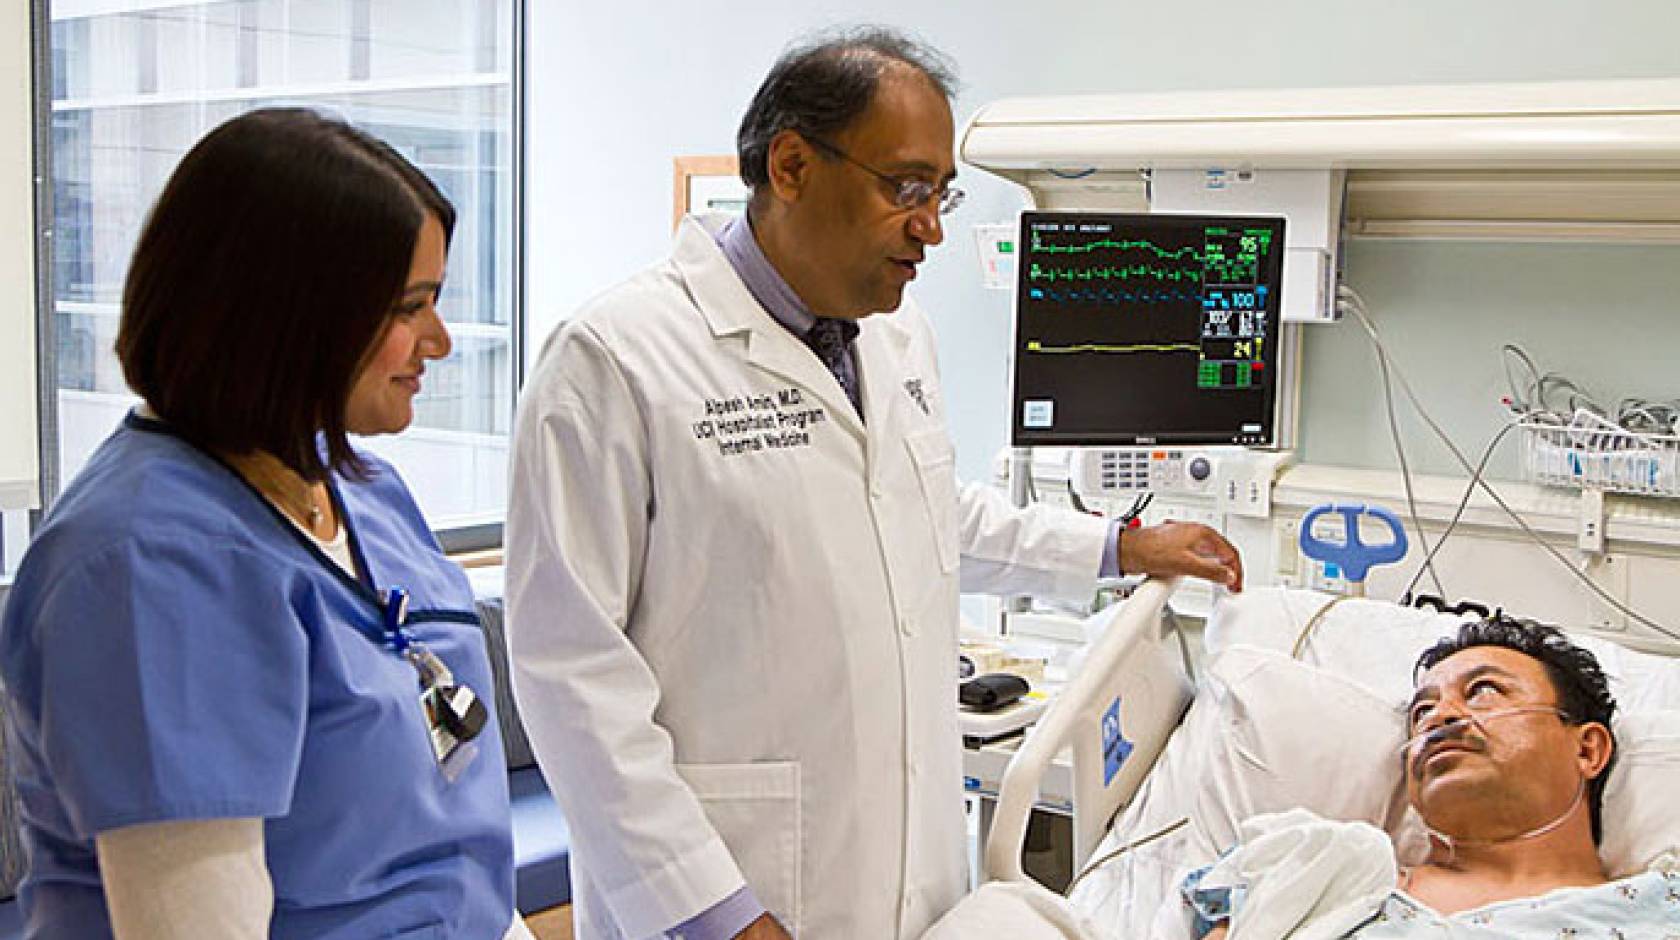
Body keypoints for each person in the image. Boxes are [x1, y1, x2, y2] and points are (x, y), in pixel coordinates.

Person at [505, 26, 1243, 940]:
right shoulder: (615, 361)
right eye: (907, 188)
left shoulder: (895, 338)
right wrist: (715, 911)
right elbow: (570, 673)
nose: (931, 224)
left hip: (910, 875)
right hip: (731, 890)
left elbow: (928, 512)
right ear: (791, 166)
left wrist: (1114, 546)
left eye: (941, 192)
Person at [0, 109, 530, 939]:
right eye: (410, 307)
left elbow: (455, 844)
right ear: (288, 316)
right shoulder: (148, 564)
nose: (441, 340)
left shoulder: (366, 493)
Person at [1187, 616, 1679, 937]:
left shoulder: (1657, 914)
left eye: (1484, 690)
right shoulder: (1317, 869)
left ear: (1587, 749)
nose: (1441, 718)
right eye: (1422, 711)